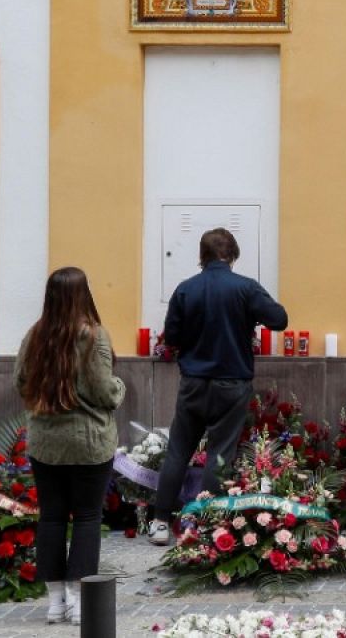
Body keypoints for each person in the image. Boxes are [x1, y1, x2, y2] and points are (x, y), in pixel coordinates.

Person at [148, 228, 288, 545]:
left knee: (178, 451)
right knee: (219, 454)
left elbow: (172, 339)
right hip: (232, 383)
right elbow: (279, 319)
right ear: (233, 255)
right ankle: (204, 523)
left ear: (202, 256)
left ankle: (159, 523)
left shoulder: (185, 289)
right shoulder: (245, 288)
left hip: (194, 383)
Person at [14, 267, 126, 625]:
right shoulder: (94, 336)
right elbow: (103, 389)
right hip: (89, 442)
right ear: (84, 295)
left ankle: (55, 602)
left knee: (51, 517)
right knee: (87, 518)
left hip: (46, 442)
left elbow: (20, 380)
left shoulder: (35, 335)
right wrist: (120, 388)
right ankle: (79, 601)